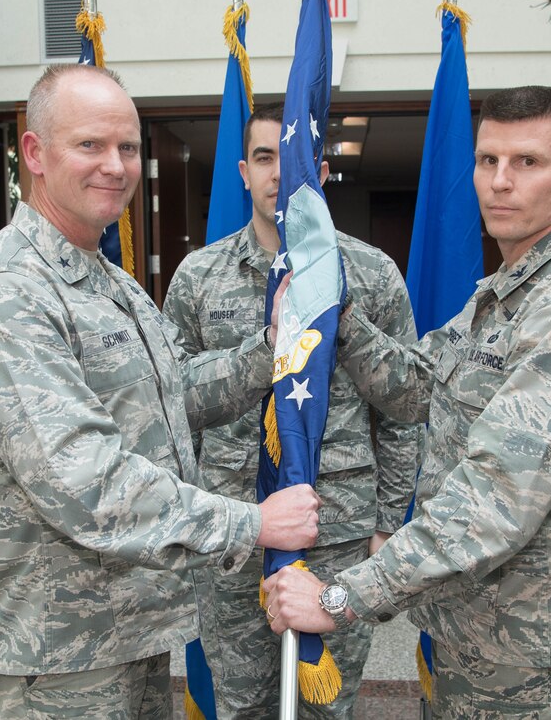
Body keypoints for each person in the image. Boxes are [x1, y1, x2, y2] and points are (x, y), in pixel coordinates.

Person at [0, 64, 321, 720]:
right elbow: (85, 481)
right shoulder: (7, 293)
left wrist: (269, 350)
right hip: (55, 660)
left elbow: (172, 397)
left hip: (129, 633)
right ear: (35, 154)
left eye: (129, 148)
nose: (116, 165)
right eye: (90, 145)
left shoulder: (108, 280)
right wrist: (251, 523)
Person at [265, 86, 551, 719]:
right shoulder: (502, 295)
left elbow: (495, 498)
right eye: (487, 160)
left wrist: (341, 598)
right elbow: (417, 386)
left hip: (522, 648)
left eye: (527, 162)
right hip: (469, 626)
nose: (500, 182)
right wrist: (336, 319)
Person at [163, 103, 423, 718]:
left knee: (328, 708)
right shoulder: (199, 277)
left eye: (296, 159)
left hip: (338, 529)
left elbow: (403, 411)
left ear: (323, 172)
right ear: (243, 172)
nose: (280, 172)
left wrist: (387, 522)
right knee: (244, 704)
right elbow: (174, 403)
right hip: (236, 529)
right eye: (264, 157)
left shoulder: (371, 273)